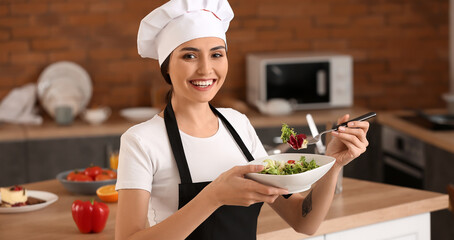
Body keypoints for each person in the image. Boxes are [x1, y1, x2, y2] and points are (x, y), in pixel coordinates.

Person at [115, 0, 370, 239]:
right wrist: (213, 197)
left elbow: (304, 221)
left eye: (216, 54)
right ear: (166, 66)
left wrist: (333, 164)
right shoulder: (141, 141)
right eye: (189, 56)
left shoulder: (238, 124)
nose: (206, 69)